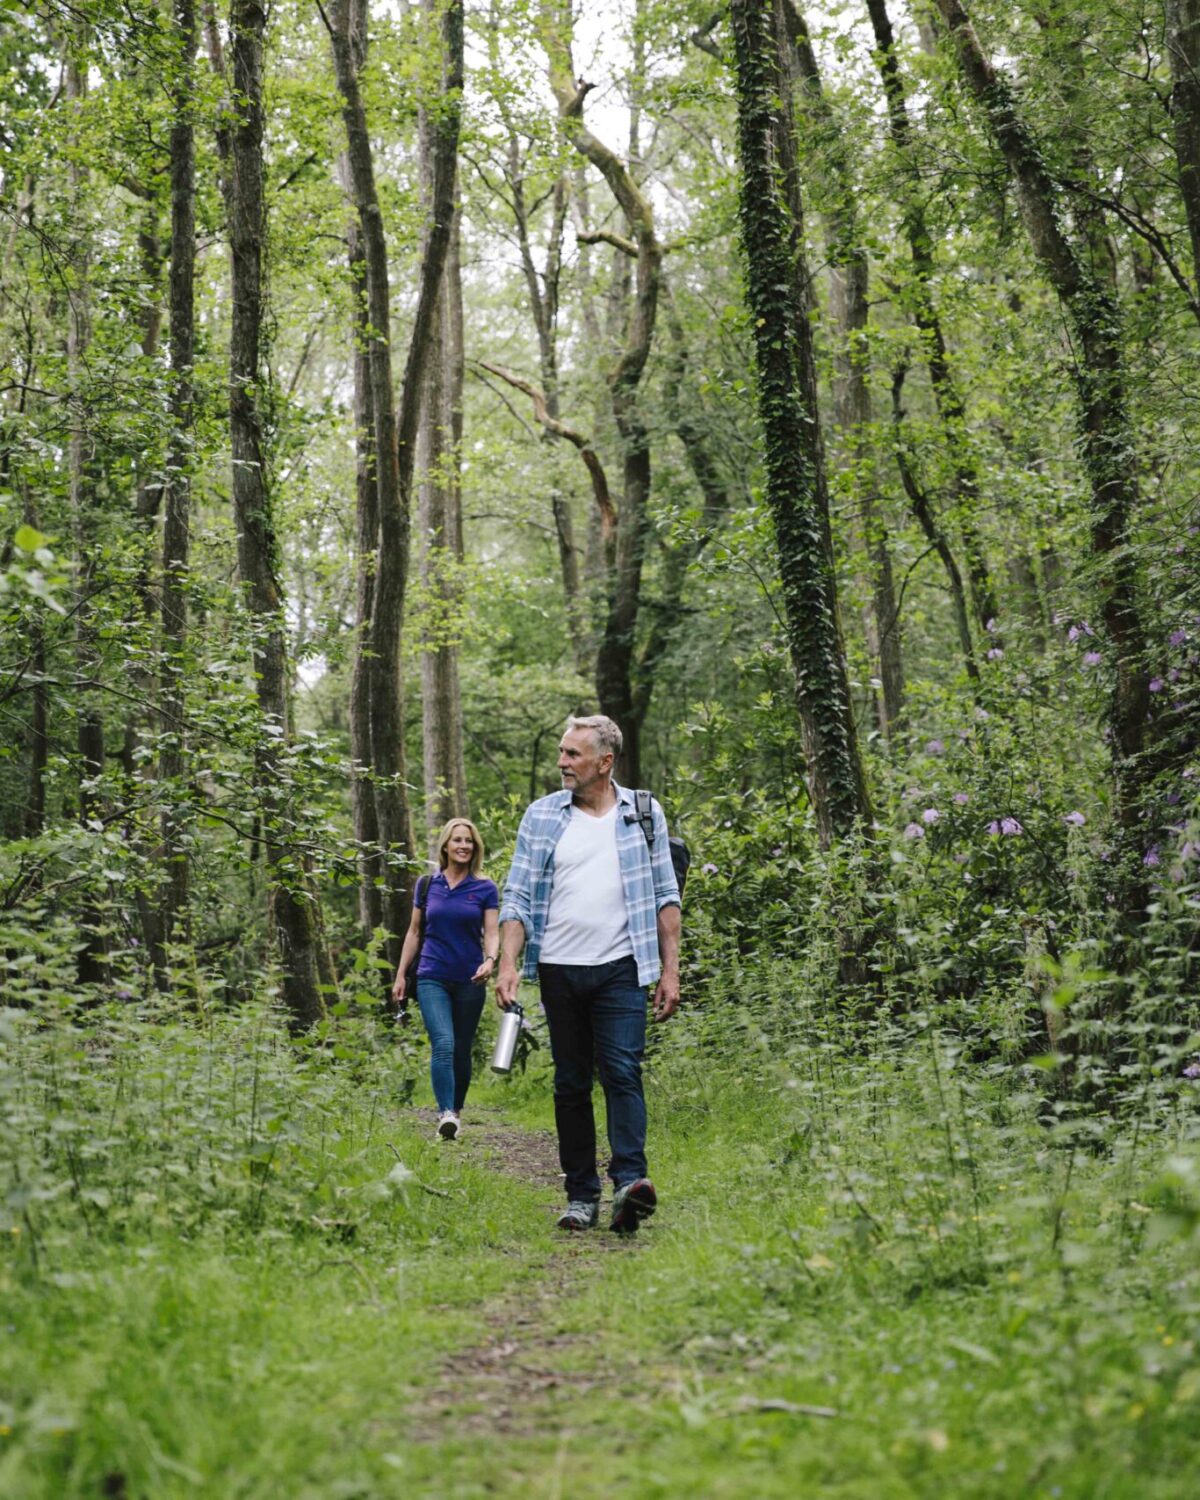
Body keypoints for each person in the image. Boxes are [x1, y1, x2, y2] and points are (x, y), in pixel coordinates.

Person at [496, 715, 681, 1234]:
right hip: (558, 969)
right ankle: (581, 1196)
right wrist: (508, 962)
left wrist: (671, 971)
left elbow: (667, 895)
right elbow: (517, 897)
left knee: (623, 1071)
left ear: (605, 762)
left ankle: (630, 1183)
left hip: (623, 967)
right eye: (561, 752)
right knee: (571, 1082)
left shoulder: (644, 813)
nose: (562, 762)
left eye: (573, 755)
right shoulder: (542, 816)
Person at [393, 818, 500, 1141]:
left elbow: (492, 933)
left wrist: (490, 961)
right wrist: (400, 975)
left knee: (461, 1049)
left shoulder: (485, 887)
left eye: (469, 840)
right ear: (445, 846)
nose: (463, 846)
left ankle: (456, 1111)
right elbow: (414, 932)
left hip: (470, 979)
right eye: (457, 840)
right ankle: (446, 1113)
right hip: (431, 976)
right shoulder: (427, 885)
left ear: (475, 847)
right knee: (444, 1043)